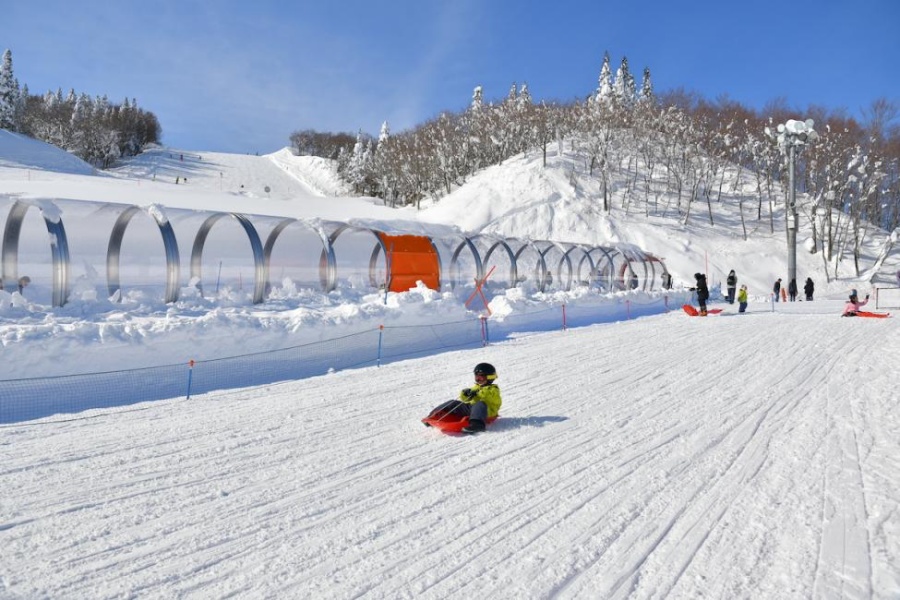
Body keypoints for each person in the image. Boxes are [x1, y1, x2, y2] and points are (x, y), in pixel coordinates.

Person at [425, 363, 502, 434]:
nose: (478, 379)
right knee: (453, 402)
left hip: (486, 411)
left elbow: (487, 395)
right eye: (476, 377)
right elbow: (466, 399)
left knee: (480, 403)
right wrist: (465, 393)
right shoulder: (477, 387)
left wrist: (476, 393)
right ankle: (432, 416)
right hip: (472, 409)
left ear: (489, 377)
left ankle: (477, 424)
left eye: (481, 377)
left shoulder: (494, 389)